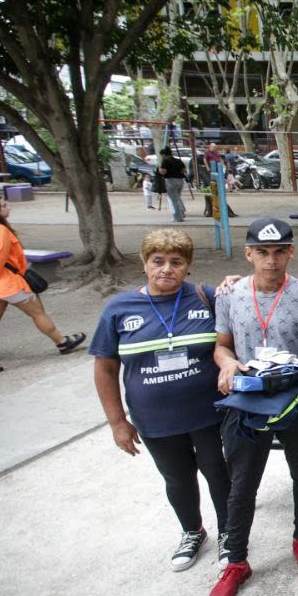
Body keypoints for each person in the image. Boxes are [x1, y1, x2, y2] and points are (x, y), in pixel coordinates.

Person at [91, 228, 229, 571]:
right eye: (158, 261)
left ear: (188, 266)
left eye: (176, 262)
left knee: (220, 473)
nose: (167, 269)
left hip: (210, 412)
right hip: (155, 419)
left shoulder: (204, 297)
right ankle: (192, 531)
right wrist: (117, 421)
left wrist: (234, 283)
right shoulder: (119, 308)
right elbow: (105, 368)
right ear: (144, 263)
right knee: (177, 478)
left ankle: (230, 532)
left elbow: (231, 335)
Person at [210, 219, 298, 596]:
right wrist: (226, 364)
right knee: (242, 479)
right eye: (262, 252)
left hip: (294, 397)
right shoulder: (230, 295)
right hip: (247, 397)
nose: (271, 261)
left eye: (279, 252)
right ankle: (236, 559)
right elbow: (222, 345)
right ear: (248, 254)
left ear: (292, 252)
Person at [0, 196, 85, 375]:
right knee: (38, 313)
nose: (8, 208)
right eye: (3, 205)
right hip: (8, 282)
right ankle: (62, 342)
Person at [156, 147, 187, 223]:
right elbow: (184, 170)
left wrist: (159, 170)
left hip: (171, 181)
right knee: (178, 197)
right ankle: (182, 213)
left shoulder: (165, 161)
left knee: (174, 200)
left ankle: (178, 218)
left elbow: (163, 172)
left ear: (164, 155)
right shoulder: (178, 160)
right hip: (180, 181)